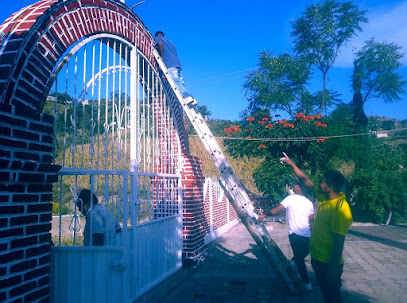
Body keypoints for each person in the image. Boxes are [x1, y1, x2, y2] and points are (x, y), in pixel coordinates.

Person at [280, 152, 353, 303]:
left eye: (323, 182)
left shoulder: (341, 209)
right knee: (326, 295)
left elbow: (339, 242)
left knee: (332, 297)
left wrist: (332, 271)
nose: (319, 183)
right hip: (318, 259)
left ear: (330, 187)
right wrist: (292, 164)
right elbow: (305, 181)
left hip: (328, 264)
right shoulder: (325, 198)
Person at [259, 182, 314, 290]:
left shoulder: (298, 200)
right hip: (295, 233)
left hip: (305, 233)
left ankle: (291, 263)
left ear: (299, 187)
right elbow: (312, 221)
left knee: (300, 256)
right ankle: (307, 282)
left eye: (295, 185)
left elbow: (277, 209)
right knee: (300, 259)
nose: (293, 186)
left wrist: (265, 215)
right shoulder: (299, 201)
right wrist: (265, 215)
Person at [154, 31, 196, 106]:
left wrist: (161, 57)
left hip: (170, 65)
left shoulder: (157, 38)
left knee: (176, 82)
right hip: (177, 65)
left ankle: (187, 97)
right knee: (181, 83)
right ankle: (191, 98)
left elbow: (160, 44)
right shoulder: (171, 43)